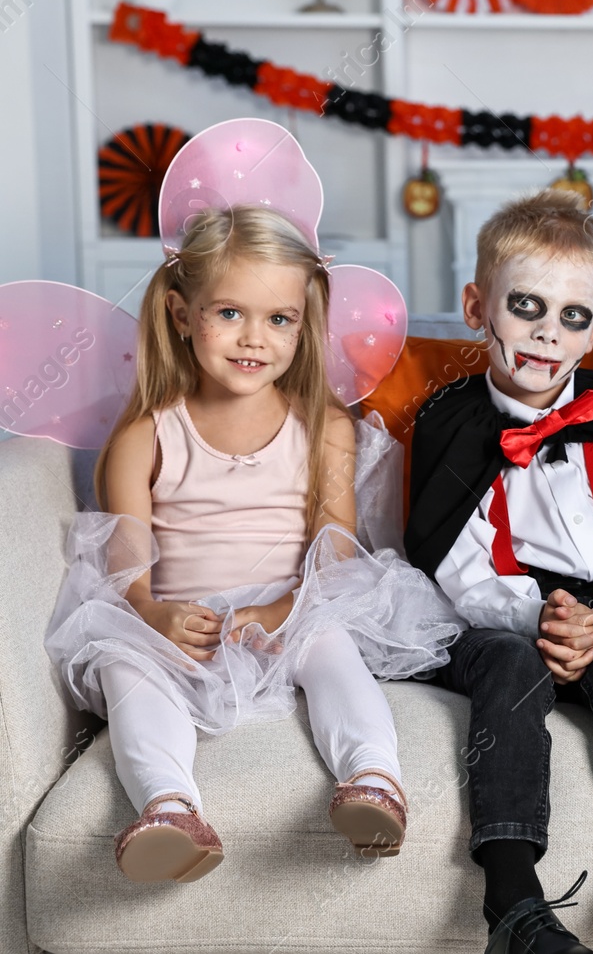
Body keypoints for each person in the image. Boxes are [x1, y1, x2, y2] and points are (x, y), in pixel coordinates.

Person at [45, 204, 460, 882]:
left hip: (291, 607)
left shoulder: (324, 425)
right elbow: (124, 567)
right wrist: (156, 616)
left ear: (306, 323)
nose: (253, 338)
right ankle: (169, 807)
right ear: (182, 313)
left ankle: (373, 779)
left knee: (332, 647)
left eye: (279, 319)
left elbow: (337, 548)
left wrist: (283, 610)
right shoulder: (146, 434)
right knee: (125, 666)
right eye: (229, 312)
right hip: (181, 620)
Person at [405, 190, 593, 954]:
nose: (545, 331)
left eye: (571, 315)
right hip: (494, 619)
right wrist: (534, 616)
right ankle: (512, 901)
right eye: (525, 305)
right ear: (477, 306)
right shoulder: (450, 422)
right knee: (505, 665)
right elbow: (454, 558)